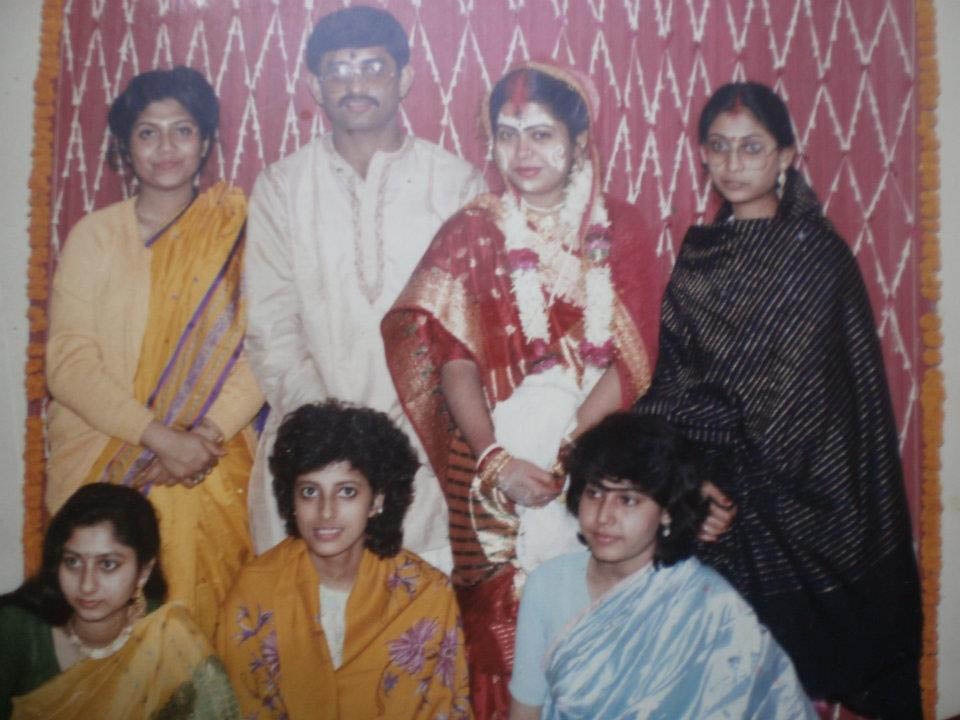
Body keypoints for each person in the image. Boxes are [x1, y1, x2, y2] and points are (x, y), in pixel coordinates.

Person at [632, 81, 922, 718]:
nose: (733, 164)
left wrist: (731, 484)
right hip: (718, 504)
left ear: (786, 157)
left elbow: (815, 405)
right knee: (729, 687)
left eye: (752, 148)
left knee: (836, 672)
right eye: (718, 147)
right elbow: (677, 386)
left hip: (818, 505)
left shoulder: (816, 259)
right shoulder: (697, 259)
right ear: (703, 156)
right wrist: (692, 486)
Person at [382, 63, 661, 717]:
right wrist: (495, 461)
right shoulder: (472, 231)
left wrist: (572, 454)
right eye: (508, 135)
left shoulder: (622, 229)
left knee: (595, 634)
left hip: (596, 465)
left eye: (542, 134)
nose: (524, 153)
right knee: (501, 649)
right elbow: (453, 364)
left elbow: (634, 358)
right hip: (488, 473)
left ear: (579, 140)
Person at [243, 5, 485, 570]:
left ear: (403, 79)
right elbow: (272, 328)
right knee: (306, 632)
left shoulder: (454, 185)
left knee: (410, 632)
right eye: (339, 70)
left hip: (422, 450)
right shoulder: (282, 187)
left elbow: (464, 335)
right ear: (314, 86)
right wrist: (334, 437)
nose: (355, 84)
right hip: (310, 450)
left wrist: (394, 433)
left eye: (372, 67)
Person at [45, 66, 264, 637]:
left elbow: (263, 350)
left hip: (207, 467)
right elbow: (69, 365)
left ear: (207, 142)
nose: (166, 147)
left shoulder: (242, 233)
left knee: (200, 634)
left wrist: (204, 439)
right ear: (126, 147)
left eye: (182, 130)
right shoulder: (94, 237)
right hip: (105, 460)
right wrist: (160, 437)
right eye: (148, 132)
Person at [508, 413, 816, 719]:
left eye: (628, 500)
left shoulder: (711, 606)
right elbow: (525, 710)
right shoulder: (547, 584)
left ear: (667, 511)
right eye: (595, 493)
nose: (604, 516)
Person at [216, 400, 472, 719]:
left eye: (347, 492)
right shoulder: (255, 590)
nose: (326, 511)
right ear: (291, 500)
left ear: (377, 500)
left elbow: (445, 708)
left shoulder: (425, 594)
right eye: (310, 491)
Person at [0, 483, 239, 719]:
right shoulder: (16, 630)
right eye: (73, 561)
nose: (86, 585)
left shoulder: (170, 640)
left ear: (143, 572)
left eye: (107, 564)